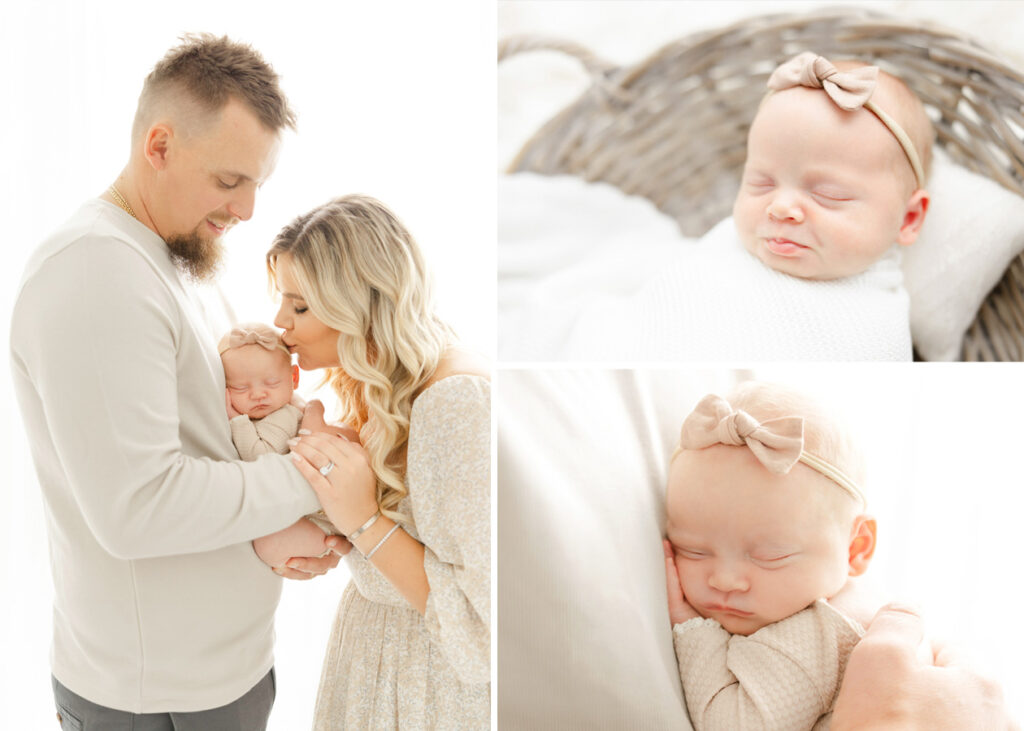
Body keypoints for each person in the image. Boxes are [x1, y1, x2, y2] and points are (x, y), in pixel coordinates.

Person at [10, 34, 342, 729]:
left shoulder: (175, 259)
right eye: (229, 181)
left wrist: (278, 527)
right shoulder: (96, 273)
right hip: (155, 701)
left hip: (219, 676)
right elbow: (141, 506)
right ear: (158, 146)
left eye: (258, 183)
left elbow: (221, 445)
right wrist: (326, 476)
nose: (248, 209)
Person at [497, 51, 935, 360]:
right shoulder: (732, 248)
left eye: (828, 195)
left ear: (909, 218)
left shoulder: (872, 329)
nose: (781, 207)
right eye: (760, 182)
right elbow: (668, 297)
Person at [266, 194, 491, 728]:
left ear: (361, 305)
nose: (280, 322)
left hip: (427, 689)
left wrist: (362, 522)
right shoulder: (385, 387)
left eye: (300, 306)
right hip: (373, 658)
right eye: (282, 301)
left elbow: (484, 626)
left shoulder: (454, 403)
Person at [663, 383, 877, 729]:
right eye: (694, 550)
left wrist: (691, 628)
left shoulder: (824, 633)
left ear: (856, 547)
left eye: (770, 556)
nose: (725, 580)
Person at [218, 322, 344, 560]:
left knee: (269, 545)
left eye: (272, 383)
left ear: (293, 377)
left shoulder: (285, 415)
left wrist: (237, 420)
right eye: (240, 387)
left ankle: (331, 544)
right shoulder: (276, 409)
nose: (258, 394)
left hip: (321, 516)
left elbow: (262, 458)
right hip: (302, 509)